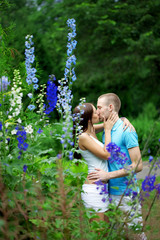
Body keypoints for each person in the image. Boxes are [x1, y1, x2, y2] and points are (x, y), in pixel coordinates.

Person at [88, 93, 146, 239]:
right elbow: (86, 129)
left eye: (100, 107)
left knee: (135, 235)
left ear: (111, 107)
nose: (98, 111)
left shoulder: (127, 130)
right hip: (109, 193)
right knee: (119, 236)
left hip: (126, 194)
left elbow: (138, 165)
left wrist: (108, 175)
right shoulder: (107, 128)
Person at [73, 102, 134, 222]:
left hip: (102, 187)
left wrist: (123, 119)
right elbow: (107, 154)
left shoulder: (91, 130)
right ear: (89, 119)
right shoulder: (83, 137)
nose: (98, 113)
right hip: (93, 190)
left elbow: (110, 123)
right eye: (95, 112)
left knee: (105, 232)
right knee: (98, 233)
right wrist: (107, 129)